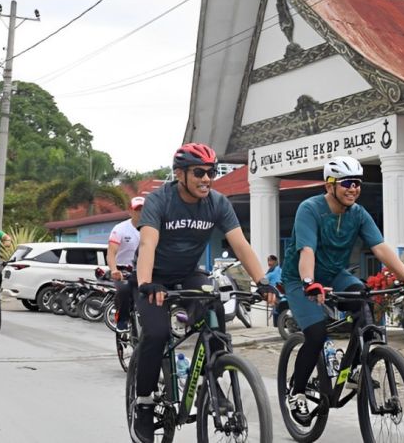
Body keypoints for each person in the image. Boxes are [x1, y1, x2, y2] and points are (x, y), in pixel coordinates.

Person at [129, 143, 277, 443]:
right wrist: (146, 283)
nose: (207, 178)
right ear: (180, 174)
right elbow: (147, 245)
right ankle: (144, 403)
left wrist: (262, 281)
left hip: (187, 273)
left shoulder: (217, 203)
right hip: (153, 277)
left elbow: (240, 244)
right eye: (200, 172)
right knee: (156, 335)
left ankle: (212, 384)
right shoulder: (159, 201)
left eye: (211, 172)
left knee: (215, 315)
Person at [282, 156, 404, 425]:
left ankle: (357, 368)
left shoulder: (358, 213)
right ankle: (296, 391)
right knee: (316, 333)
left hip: (336, 274)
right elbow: (307, 250)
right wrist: (310, 282)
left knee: (364, 305)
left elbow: (380, 248)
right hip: (300, 278)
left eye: (357, 183)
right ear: (329, 185)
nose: (353, 188)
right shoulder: (309, 209)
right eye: (347, 182)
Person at [106, 196, 144, 333]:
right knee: (123, 291)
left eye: (143, 210)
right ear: (130, 211)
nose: (140, 213)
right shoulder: (120, 229)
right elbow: (111, 253)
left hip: (145, 270)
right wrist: (114, 269)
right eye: (137, 210)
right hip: (124, 270)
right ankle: (122, 320)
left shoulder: (152, 228)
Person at [265, 254, 282, 326]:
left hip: (274, 292)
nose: (269, 263)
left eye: (270, 261)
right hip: (280, 292)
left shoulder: (271, 272)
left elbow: (264, 280)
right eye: (268, 261)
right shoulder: (280, 269)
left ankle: (276, 325)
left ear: (275, 261)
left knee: (276, 310)